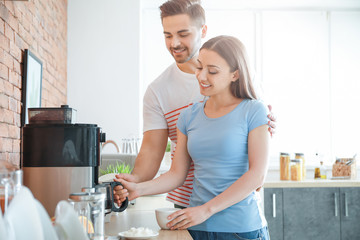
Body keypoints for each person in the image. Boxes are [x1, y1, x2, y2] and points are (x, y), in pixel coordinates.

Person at [114, 0, 276, 208]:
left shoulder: (240, 75)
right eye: (167, 35)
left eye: (183, 34)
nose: (174, 43)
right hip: (187, 203)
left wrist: (267, 122)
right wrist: (134, 181)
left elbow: (258, 132)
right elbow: (152, 151)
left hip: (236, 205)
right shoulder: (158, 91)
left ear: (203, 30)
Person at [116, 35, 271, 240]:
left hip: (240, 229)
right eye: (199, 67)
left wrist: (205, 210)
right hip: (196, 227)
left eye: (212, 71)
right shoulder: (189, 116)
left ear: (235, 74)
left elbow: (257, 176)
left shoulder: (254, 111)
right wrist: (138, 189)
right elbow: (177, 174)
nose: (202, 76)